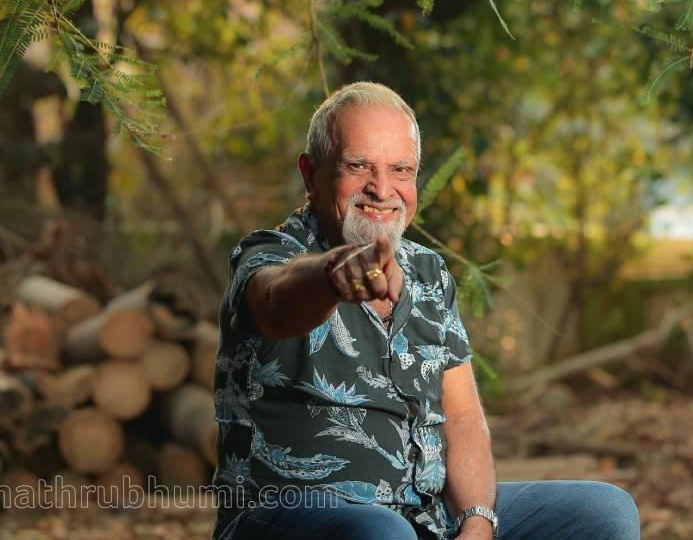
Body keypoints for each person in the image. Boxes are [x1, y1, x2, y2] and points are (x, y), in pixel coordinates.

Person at [212, 82, 641, 540]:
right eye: (358, 166)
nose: (382, 189)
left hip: (425, 514)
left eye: (401, 170)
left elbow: (462, 416)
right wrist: (332, 274)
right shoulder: (269, 254)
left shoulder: (429, 272)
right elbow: (278, 302)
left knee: (605, 513)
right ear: (310, 173)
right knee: (383, 532)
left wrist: (477, 521)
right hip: (284, 517)